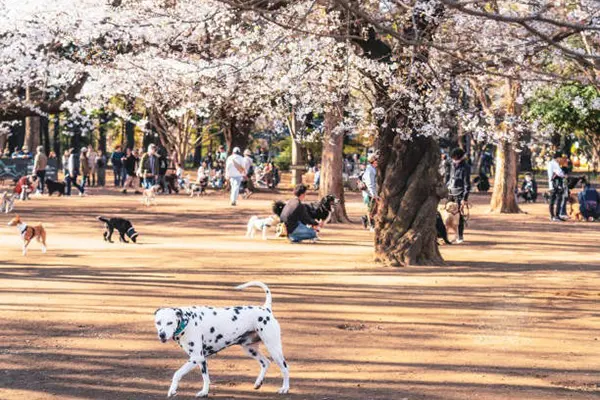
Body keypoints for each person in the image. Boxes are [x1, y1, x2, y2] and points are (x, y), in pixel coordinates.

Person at [447, 148, 471, 243]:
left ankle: (460, 236)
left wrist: (464, 198)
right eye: (452, 157)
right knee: (448, 214)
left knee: (459, 216)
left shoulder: (465, 167)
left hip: (459, 193)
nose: (453, 159)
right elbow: (449, 178)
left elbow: (467, 184)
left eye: (455, 157)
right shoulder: (451, 165)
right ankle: (449, 235)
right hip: (450, 192)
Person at [360, 154, 379, 231]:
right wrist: (373, 194)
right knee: (370, 209)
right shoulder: (370, 170)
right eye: (376, 160)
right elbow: (369, 183)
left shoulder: (373, 169)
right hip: (369, 193)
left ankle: (365, 219)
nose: (378, 162)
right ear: (373, 161)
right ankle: (371, 225)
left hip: (372, 192)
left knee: (374, 209)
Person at [547, 152, 567, 222]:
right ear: (557, 158)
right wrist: (564, 175)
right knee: (557, 200)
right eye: (560, 158)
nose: (561, 159)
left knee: (555, 200)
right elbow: (559, 173)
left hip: (553, 184)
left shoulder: (551, 163)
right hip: (555, 185)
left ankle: (554, 216)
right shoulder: (554, 164)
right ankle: (555, 216)